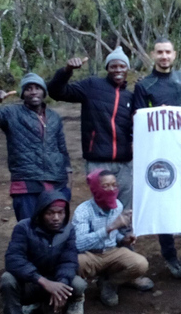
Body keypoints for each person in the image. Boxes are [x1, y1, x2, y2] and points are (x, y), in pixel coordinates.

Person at [133, 38, 181, 279]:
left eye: (168, 52)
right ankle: (171, 257)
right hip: (159, 155)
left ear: (175, 55)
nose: (164, 56)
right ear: (153, 55)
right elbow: (139, 121)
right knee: (163, 206)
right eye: (159, 52)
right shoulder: (145, 85)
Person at [0, 190, 85, 314]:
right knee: (7, 279)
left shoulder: (68, 230)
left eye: (60, 213)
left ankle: (52, 306)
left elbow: (69, 261)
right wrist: (42, 281)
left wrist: (60, 284)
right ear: (40, 212)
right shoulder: (24, 228)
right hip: (31, 283)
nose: (56, 218)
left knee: (78, 284)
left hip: (54, 282)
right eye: (50, 213)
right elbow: (13, 259)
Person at [0, 73, 71, 221]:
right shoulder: (11, 113)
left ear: (44, 92)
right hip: (26, 182)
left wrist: (67, 172)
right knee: (28, 227)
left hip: (55, 181)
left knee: (55, 227)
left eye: (37, 88)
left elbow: (61, 146)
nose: (33, 92)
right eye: (28, 89)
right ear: (22, 94)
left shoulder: (54, 117)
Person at [47, 47, 135, 208]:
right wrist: (67, 71)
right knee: (103, 206)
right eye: (113, 66)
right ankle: (102, 233)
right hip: (98, 160)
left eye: (122, 66)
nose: (118, 70)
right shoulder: (92, 85)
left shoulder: (130, 97)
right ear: (107, 68)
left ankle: (123, 234)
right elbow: (56, 92)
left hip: (125, 163)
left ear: (127, 68)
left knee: (126, 206)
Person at [73, 170, 154, 306]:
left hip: (112, 252)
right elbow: (79, 244)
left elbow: (114, 235)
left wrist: (124, 239)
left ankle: (109, 283)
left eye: (114, 185)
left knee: (141, 264)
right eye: (105, 186)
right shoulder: (83, 211)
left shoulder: (117, 206)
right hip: (89, 255)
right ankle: (76, 298)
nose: (111, 190)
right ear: (95, 188)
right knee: (72, 264)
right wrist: (109, 228)